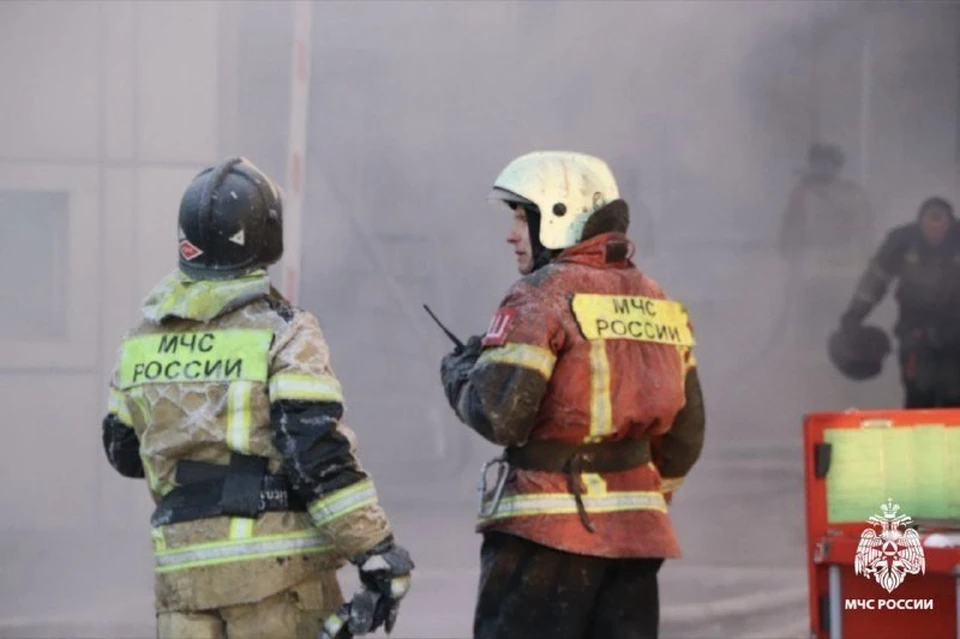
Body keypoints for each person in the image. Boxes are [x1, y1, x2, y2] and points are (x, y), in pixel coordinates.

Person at [101, 156, 413, 639]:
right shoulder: (283, 331)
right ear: (266, 235)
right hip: (277, 581)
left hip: (181, 583)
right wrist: (375, 548)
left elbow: (123, 452)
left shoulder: (141, 338)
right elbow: (314, 453)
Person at [439, 151, 706, 639]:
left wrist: (460, 372)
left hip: (543, 542)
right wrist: (644, 499)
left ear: (558, 215)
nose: (511, 234)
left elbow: (500, 416)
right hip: (637, 541)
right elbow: (687, 437)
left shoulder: (542, 294)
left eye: (522, 217)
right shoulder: (660, 301)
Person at [837, 196, 960, 408]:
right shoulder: (902, 241)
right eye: (931, 220)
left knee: (954, 395)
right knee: (919, 395)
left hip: (956, 333)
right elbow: (876, 278)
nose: (936, 229)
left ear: (950, 223)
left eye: (942, 222)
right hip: (915, 331)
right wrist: (854, 315)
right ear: (920, 221)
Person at [779, 143, 872, 350]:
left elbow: (865, 229)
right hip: (813, 263)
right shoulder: (802, 193)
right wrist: (792, 254)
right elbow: (790, 228)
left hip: (846, 263)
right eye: (818, 163)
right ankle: (811, 355)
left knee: (842, 314)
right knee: (811, 315)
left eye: (828, 163)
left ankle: (841, 355)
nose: (823, 168)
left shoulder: (852, 193)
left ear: (837, 166)